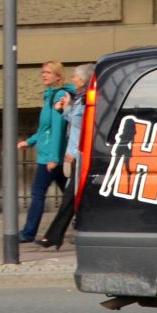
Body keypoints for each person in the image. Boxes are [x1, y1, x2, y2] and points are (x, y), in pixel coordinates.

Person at [37, 63, 94, 251]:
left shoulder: (86, 99)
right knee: (73, 197)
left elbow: (82, 124)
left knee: (71, 197)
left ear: (83, 80)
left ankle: (54, 236)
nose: (73, 79)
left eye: (75, 77)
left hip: (82, 156)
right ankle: (56, 236)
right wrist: (66, 108)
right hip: (76, 154)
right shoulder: (78, 97)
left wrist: (67, 108)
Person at [18, 61, 76, 243]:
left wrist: (53, 158)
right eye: (43, 72)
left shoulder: (58, 96)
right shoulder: (49, 96)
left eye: (49, 72)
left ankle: (28, 233)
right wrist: (30, 141)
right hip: (51, 155)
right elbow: (46, 129)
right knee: (70, 196)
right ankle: (84, 224)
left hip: (50, 158)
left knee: (37, 192)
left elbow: (58, 130)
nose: (44, 75)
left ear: (58, 76)